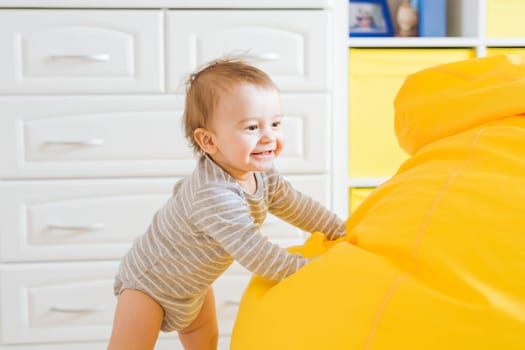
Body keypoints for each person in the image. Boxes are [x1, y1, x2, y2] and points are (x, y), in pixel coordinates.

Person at [107, 58, 346, 350]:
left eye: (275, 123)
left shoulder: (261, 174)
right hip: (149, 285)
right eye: (252, 127)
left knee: (206, 341)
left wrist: (340, 229)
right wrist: (309, 270)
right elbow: (254, 252)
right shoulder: (213, 194)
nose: (269, 136)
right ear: (209, 141)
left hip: (193, 287)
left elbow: (296, 205)